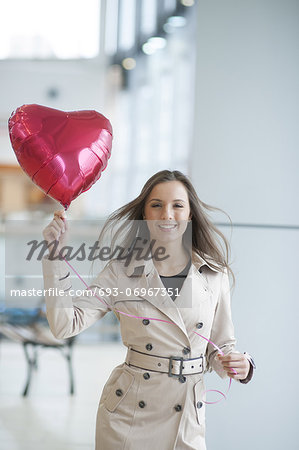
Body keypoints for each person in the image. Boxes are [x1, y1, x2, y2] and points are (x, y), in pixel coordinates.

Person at [42, 170, 255, 450]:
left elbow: (220, 346)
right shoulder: (122, 271)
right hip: (128, 416)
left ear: (190, 214)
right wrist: (54, 256)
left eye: (177, 205)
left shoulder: (214, 274)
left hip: (186, 418)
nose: (167, 214)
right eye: (156, 205)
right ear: (144, 214)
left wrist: (238, 364)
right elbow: (64, 325)